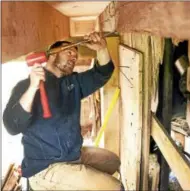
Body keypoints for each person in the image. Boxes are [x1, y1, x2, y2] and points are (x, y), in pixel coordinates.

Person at [3, 32, 124, 190]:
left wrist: (102, 49)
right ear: (52, 55)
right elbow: (12, 126)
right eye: (69, 52)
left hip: (72, 155)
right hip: (45, 167)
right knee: (115, 187)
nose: (73, 57)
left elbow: (103, 73)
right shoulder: (26, 86)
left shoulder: (72, 83)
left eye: (75, 55)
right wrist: (33, 87)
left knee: (113, 162)